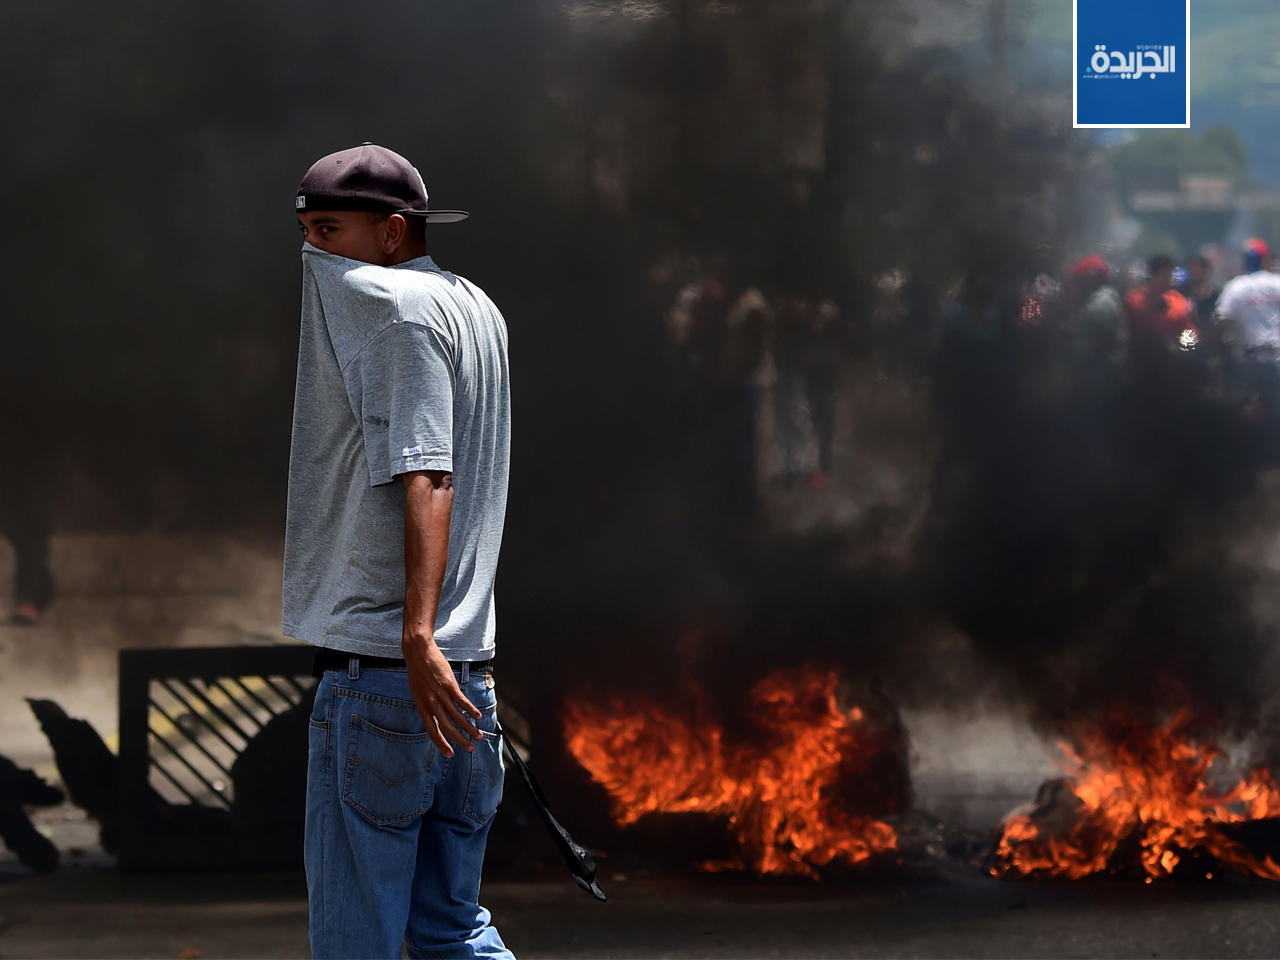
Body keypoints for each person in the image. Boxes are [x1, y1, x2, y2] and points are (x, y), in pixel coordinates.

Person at [285, 143, 514, 959]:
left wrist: (415, 637)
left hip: (391, 681)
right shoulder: (472, 304)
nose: (313, 250)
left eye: (330, 229)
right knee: (451, 933)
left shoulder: (395, 314)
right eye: (306, 229)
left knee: (358, 944)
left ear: (390, 233)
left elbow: (429, 471)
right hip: (469, 685)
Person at [1177, 253, 1221, 332]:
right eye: (1191, 268)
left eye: (1199, 269)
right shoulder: (1179, 294)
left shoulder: (1216, 296)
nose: (1194, 272)